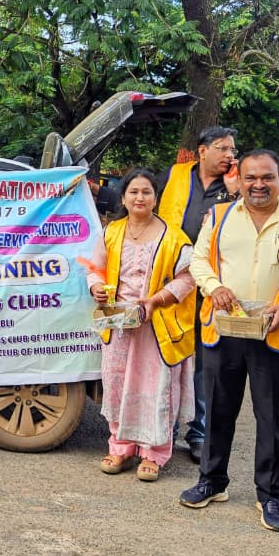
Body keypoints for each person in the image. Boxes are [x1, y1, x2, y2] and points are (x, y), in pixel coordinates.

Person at [179, 150, 279, 531]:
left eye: (267, 177)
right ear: (238, 180)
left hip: (276, 332)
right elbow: (198, 260)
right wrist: (214, 287)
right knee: (218, 410)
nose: (259, 185)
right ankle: (211, 480)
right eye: (251, 178)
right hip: (225, 328)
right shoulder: (220, 216)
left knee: (271, 416)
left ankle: (270, 496)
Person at [84, 168, 197, 482]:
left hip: (156, 326)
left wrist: (155, 301)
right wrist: (95, 286)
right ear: (123, 197)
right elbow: (95, 268)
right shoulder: (111, 232)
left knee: (155, 387)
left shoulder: (173, 236)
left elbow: (189, 277)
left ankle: (154, 453)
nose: (140, 197)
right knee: (118, 385)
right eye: (133, 191)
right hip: (119, 325)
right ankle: (119, 446)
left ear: (155, 197)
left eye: (146, 192)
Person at [154, 126, 241, 463]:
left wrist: (235, 194)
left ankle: (199, 433)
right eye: (223, 148)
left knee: (207, 363)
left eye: (233, 150)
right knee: (170, 354)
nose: (230, 156)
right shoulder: (176, 175)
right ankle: (164, 429)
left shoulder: (236, 186)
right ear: (202, 151)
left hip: (211, 283)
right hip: (171, 280)